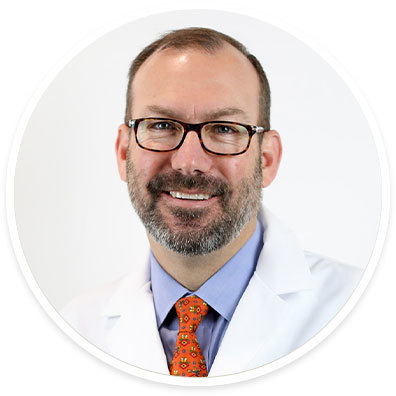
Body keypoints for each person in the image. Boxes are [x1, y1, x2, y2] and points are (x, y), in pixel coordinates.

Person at [61, 27, 362, 377]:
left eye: (223, 129)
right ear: (124, 151)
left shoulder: (368, 314)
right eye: (161, 124)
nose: (189, 162)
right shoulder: (72, 331)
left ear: (267, 160)